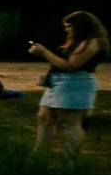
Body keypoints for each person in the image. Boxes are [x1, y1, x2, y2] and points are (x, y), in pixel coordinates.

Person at [29, 11, 107, 154]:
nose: (67, 30)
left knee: (69, 121)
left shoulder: (92, 42)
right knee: (44, 117)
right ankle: (40, 154)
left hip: (76, 83)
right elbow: (60, 63)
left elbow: (71, 65)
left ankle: (69, 160)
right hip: (58, 83)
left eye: (70, 27)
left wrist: (45, 52)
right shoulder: (75, 41)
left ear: (81, 26)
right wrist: (42, 54)